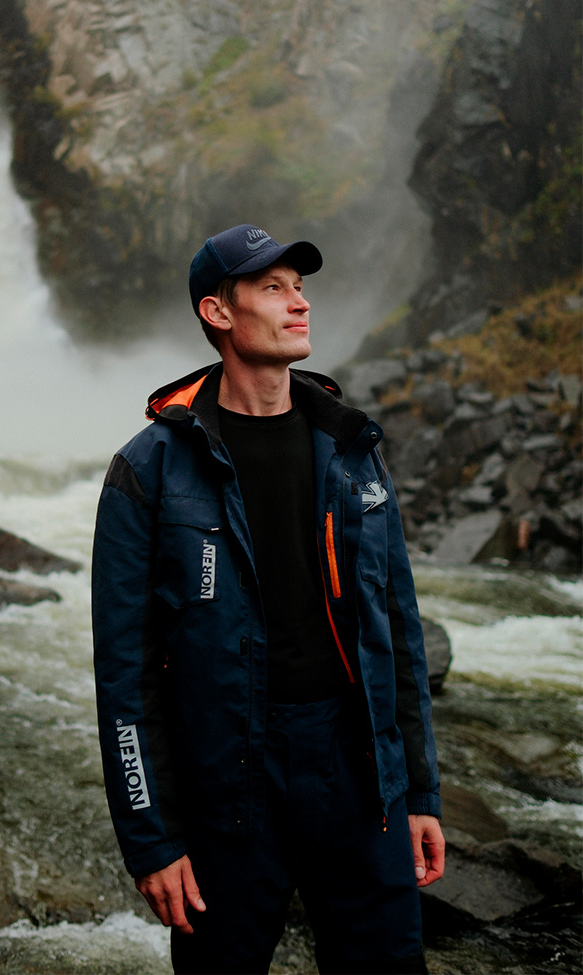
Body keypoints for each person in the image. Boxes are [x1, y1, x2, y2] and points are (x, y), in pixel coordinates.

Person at [92, 224, 444, 974]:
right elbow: (124, 676)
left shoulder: (354, 451)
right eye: (274, 288)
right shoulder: (146, 471)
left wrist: (418, 790)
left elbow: (399, 633)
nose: (299, 304)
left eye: (301, 287)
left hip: (357, 782)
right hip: (227, 788)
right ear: (219, 313)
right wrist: (152, 838)